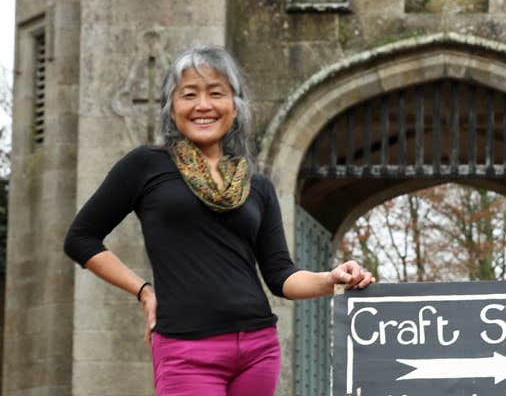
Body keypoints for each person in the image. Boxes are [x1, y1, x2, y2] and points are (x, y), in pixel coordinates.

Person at [64, 45, 375, 396]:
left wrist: (332, 279)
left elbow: (281, 277)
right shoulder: (146, 166)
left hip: (258, 348)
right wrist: (144, 291)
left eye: (216, 93)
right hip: (186, 349)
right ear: (172, 107)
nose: (203, 105)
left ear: (235, 106)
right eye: (189, 94)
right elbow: (81, 238)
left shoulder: (257, 185)